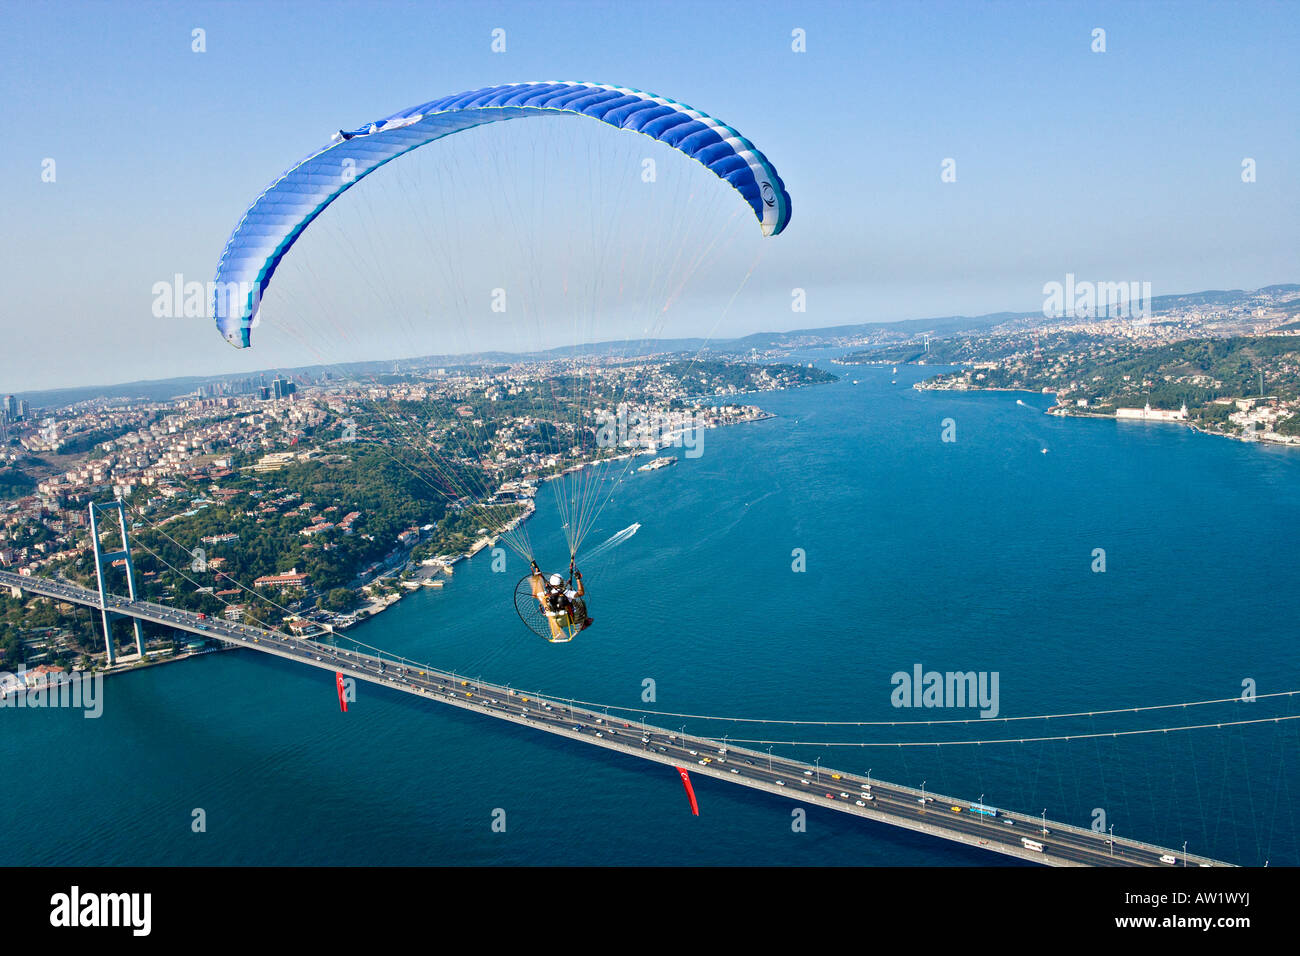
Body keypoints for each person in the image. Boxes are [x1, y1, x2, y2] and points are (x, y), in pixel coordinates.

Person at [529, 559, 593, 640]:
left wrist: (536, 579)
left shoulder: (547, 594)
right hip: (570, 620)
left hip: (557, 622)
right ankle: (584, 621)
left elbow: (535, 595)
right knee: (581, 602)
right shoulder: (567, 593)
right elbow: (581, 593)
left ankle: (559, 629)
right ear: (561, 582)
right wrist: (578, 579)